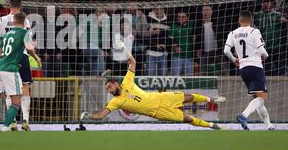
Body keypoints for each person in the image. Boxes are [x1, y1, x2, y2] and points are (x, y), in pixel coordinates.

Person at [80, 45, 225, 129]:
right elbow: (100, 115)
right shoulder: (115, 102)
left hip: (160, 97)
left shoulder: (127, 81)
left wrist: (127, 53)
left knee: (189, 97)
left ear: (116, 84)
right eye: (107, 89)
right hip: (158, 112)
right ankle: (212, 125)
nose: (109, 90)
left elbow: (132, 63)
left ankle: (211, 99)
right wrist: (89, 115)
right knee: (187, 119)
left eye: (109, 87)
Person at [224, 10, 274, 130]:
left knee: (258, 97)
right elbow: (263, 51)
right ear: (251, 20)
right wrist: (266, 57)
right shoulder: (254, 31)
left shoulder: (233, 33)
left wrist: (234, 59)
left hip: (243, 69)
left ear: (239, 20)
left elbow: (226, 51)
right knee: (261, 97)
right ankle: (244, 115)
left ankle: (269, 126)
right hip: (255, 67)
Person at [0, 0, 34, 131]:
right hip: (21, 56)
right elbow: (28, 42)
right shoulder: (25, 20)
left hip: (7, 59)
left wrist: (1, 57)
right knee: (25, 87)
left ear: (9, 5)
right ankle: (25, 121)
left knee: (9, 91)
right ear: (21, 5)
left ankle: (12, 122)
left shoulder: (1, 20)